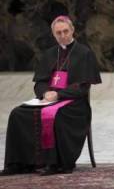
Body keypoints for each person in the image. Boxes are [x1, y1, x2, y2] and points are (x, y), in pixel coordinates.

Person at [1, 16, 101, 176]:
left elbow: (82, 87)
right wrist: (45, 93)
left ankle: (55, 164)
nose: (62, 35)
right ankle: (18, 163)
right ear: (53, 34)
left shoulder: (84, 53)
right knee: (17, 114)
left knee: (56, 116)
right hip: (47, 100)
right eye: (58, 33)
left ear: (72, 30)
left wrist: (59, 95)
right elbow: (39, 82)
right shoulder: (48, 54)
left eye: (65, 31)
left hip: (73, 104)